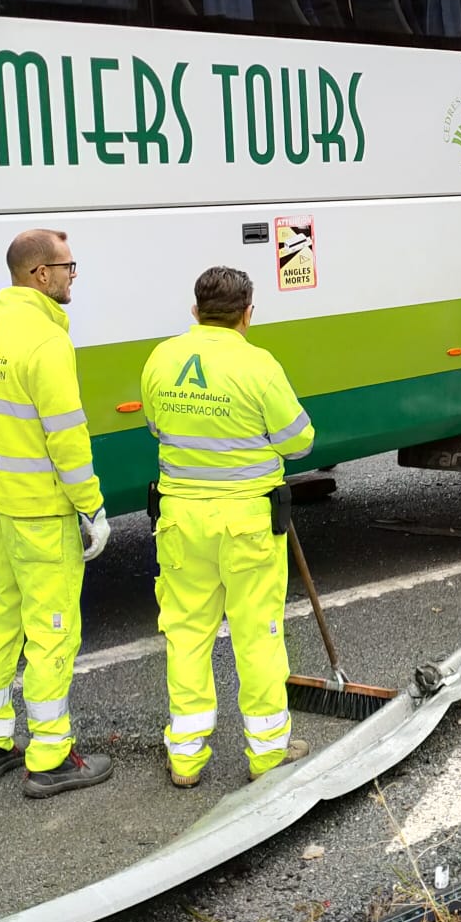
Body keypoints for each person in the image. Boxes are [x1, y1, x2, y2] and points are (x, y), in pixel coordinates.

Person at [0, 228, 113, 799]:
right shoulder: (45, 341)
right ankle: (50, 754)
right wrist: (91, 505)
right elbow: (66, 436)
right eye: (68, 267)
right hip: (37, 510)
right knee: (51, 630)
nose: (71, 277)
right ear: (40, 274)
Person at [139, 266, 316, 788]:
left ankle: (187, 758)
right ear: (247, 313)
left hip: (179, 520)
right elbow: (298, 441)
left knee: (187, 634)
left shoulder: (161, 358)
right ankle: (266, 754)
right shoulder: (257, 364)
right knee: (257, 634)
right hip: (245, 522)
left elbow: (155, 424)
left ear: (195, 310)